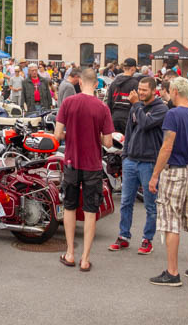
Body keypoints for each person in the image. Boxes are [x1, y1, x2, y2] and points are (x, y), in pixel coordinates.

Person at [147, 77, 188, 285]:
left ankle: (172, 272)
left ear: (173, 91)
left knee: (171, 222)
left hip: (174, 172)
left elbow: (167, 146)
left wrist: (155, 174)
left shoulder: (173, 114)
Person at [54, 68, 113, 272]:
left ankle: (70, 253)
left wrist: (72, 134)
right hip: (93, 165)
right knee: (90, 211)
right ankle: (85, 259)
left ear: (79, 82)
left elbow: (57, 134)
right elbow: (107, 141)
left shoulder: (68, 103)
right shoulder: (102, 107)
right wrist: (93, 136)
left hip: (71, 162)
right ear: (96, 84)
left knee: (69, 207)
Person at [110, 76, 168, 255]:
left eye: (144, 90)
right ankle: (123, 236)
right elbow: (130, 130)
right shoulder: (137, 106)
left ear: (153, 91)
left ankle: (147, 239)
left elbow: (145, 123)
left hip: (149, 162)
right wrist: (125, 155)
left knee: (151, 205)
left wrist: (135, 105)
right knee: (126, 202)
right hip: (131, 161)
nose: (141, 93)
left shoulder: (161, 109)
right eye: (139, 89)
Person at [106, 58, 142, 135]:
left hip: (114, 118)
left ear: (123, 68)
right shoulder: (135, 83)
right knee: (128, 144)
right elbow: (138, 103)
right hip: (128, 118)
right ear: (133, 69)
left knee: (115, 145)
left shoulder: (113, 83)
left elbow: (109, 103)